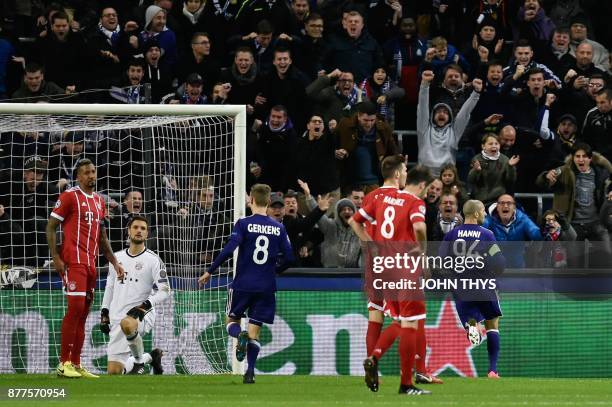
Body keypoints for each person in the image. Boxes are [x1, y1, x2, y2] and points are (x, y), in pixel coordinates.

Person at [198, 184, 294, 384]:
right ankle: (250, 372)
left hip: (242, 284)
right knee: (255, 332)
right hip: (266, 287)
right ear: (268, 202)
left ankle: (238, 334)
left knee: (231, 322)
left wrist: (210, 271)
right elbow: (290, 257)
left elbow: (229, 249)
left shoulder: (243, 223)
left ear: (251, 200)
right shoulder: (279, 227)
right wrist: (273, 269)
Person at [350, 165, 433, 395]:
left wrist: (371, 245)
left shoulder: (382, 198)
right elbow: (419, 226)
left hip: (382, 266)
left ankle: (374, 358)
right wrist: (423, 252)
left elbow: (354, 221)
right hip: (404, 266)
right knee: (409, 323)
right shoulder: (415, 203)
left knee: (396, 320)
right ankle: (406, 384)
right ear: (423, 186)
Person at [46, 158, 126, 378]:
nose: (91, 175)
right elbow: (51, 227)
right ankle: (64, 363)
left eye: (93, 171)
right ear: (79, 176)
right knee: (74, 310)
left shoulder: (99, 201)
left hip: (91, 265)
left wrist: (115, 262)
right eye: (86, 173)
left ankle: (77, 363)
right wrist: (56, 258)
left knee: (82, 314)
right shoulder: (69, 197)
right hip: (73, 262)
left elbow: (102, 238)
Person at [438, 199, 505, 379]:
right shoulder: (487, 235)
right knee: (492, 324)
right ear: (476, 214)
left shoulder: (451, 235)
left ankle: (471, 325)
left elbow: (440, 261)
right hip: (484, 285)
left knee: (471, 317)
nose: (484, 214)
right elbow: (499, 262)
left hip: (462, 286)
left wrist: (453, 278)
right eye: (483, 211)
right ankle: (492, 370)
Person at [100, 215, 168, 375]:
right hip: (117, 315)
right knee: (114, 372)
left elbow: (165, 290)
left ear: (147, 234)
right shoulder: (116, 258)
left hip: (143, 312)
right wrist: (104, 312)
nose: (139, 231)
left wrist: (146, 305)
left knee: (128, 324)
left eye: (143, 228)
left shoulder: (153, 260)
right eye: (135, 227)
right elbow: (110, 287)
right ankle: (151, 357)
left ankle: (138, 362)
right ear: (128, 231)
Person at [417, 70, 482, 177]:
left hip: (447, 179)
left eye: (445, 112)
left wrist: (476, 93)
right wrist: (424, 84)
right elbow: (422, 108)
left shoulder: (454, 132)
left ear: (450, 117)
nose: (441, 114)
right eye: (438, 112)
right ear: (432, 116)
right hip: (425, 179)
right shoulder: (424, 129)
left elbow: (464, 113)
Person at [468, 134, 519, 205]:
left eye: (496, 144)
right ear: (483, 146)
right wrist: (476, 171)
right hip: (479, 199)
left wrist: (510, 167)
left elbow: (511, 180)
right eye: (490, 144)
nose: (494, 146)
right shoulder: (477, 159)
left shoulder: (505, 160)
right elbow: (470, 180)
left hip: (498, 200)